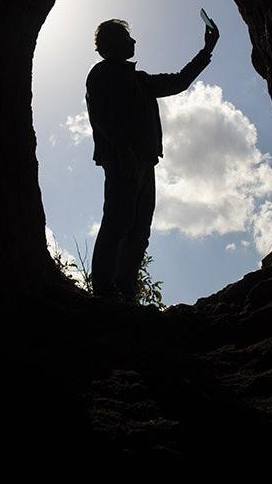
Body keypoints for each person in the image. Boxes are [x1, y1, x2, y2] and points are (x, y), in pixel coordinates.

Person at [85, 17, 219, 304]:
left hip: (144, 160)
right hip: (125, 160)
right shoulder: (102, 74)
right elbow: (101, 116)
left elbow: (178, 82)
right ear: (113, 44)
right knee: (118, 221)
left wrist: (206, 50)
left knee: (138, 228)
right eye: (128, 38)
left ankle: (124, 289)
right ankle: (104, 291)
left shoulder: (137, 79)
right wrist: (122, 150)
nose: (134, 42)